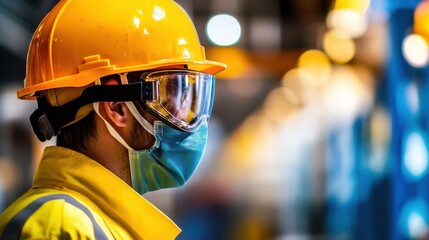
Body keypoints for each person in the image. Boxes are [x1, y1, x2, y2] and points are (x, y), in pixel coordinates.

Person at [0, 0, 226, 238]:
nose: (189, 118)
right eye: (171, 97)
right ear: (117, 108)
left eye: (188, 97)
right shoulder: (60, 227)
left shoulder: (93, 221)